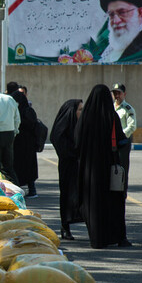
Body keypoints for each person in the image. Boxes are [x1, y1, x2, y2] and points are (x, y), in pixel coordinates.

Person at [75, 84, 132, 248]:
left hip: (89, 168)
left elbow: (77, 141)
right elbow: (121, 139)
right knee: (113, 201)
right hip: (109, 165)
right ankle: (117, 237)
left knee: (93, 201)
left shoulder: (85, 117)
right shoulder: (111, 116)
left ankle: (97, 238)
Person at [50, 99, 84, 240]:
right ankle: (65, 227)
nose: (81, 113)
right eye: (79, 110)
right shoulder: (63, 127)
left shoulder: (80, 125)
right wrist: (72, 152)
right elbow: (57, 139)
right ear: (72, 112)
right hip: (68, 166)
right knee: (67, 196)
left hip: (79, 165)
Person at [10, 90, 39, 198]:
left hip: (25, 144)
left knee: (25, 167)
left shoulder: (26, 111)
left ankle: (31, 190)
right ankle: (26, 189)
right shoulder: (25, 110)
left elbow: (30, 125)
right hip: (24, 144)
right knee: (24, 167)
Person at [111, 83, 137, 195]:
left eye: (119, 93)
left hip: (122, 144)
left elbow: (132, 126)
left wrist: (120, 136)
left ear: (124, 94)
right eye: (115, 93)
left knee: (122, 168)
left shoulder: (128, 109)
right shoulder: (110, 107)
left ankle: (122, 191)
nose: (117, 95)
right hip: (111, 143)